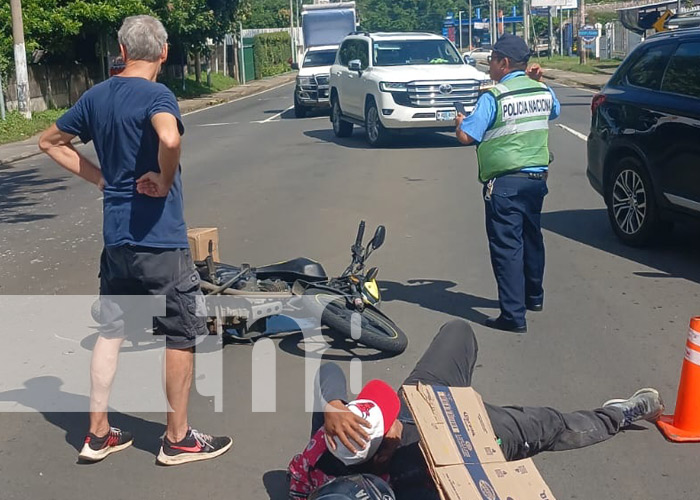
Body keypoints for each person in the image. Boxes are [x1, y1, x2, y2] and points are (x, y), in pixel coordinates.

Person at [38, 15, 232, 465]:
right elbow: (168, 135)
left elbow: (50, 141)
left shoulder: (95, 96)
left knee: (111, 331)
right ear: (163, 53)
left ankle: (99, 433)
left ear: (122, 53)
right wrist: (164, 180)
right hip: (158, 241)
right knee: (181, 333)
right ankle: (178, 439)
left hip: (117, 240)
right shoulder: (158, 95)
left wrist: (101, 179)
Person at [288, 319, 664, 499]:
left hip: (422, 400)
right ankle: (619, 414)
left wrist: (333, 404)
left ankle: (457, 398)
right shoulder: (414, 488)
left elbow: (334, 372)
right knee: (548, 425)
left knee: (458, 332)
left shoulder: (328, 449)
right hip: (472, 440)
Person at [455, 34, 561, 333]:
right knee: (531, 237)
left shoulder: (495, 96)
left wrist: (460, 123)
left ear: (504, 63)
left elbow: (467, 137)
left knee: (507, 247)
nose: (488, 66)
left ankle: (513, 316)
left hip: (505, 184)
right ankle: (534, 297)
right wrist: (538, 80)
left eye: (491, 60)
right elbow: (554, 111)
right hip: (536, 180)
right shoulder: (541, 90)